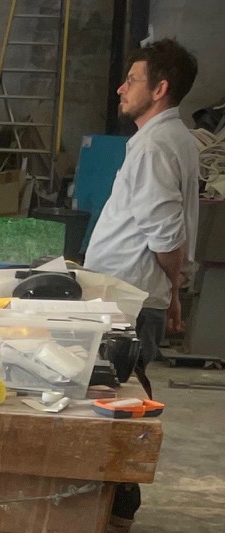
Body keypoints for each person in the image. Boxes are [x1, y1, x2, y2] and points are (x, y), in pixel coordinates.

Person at [85, 37, 200, 370]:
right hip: (134, 296)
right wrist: (171, 292)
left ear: (159, 89)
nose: (121, 89)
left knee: (116, 390)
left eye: (132, 81)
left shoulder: (154, 147)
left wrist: (171, 289)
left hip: (129, 301)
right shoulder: (174, 136)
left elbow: (166, 236)